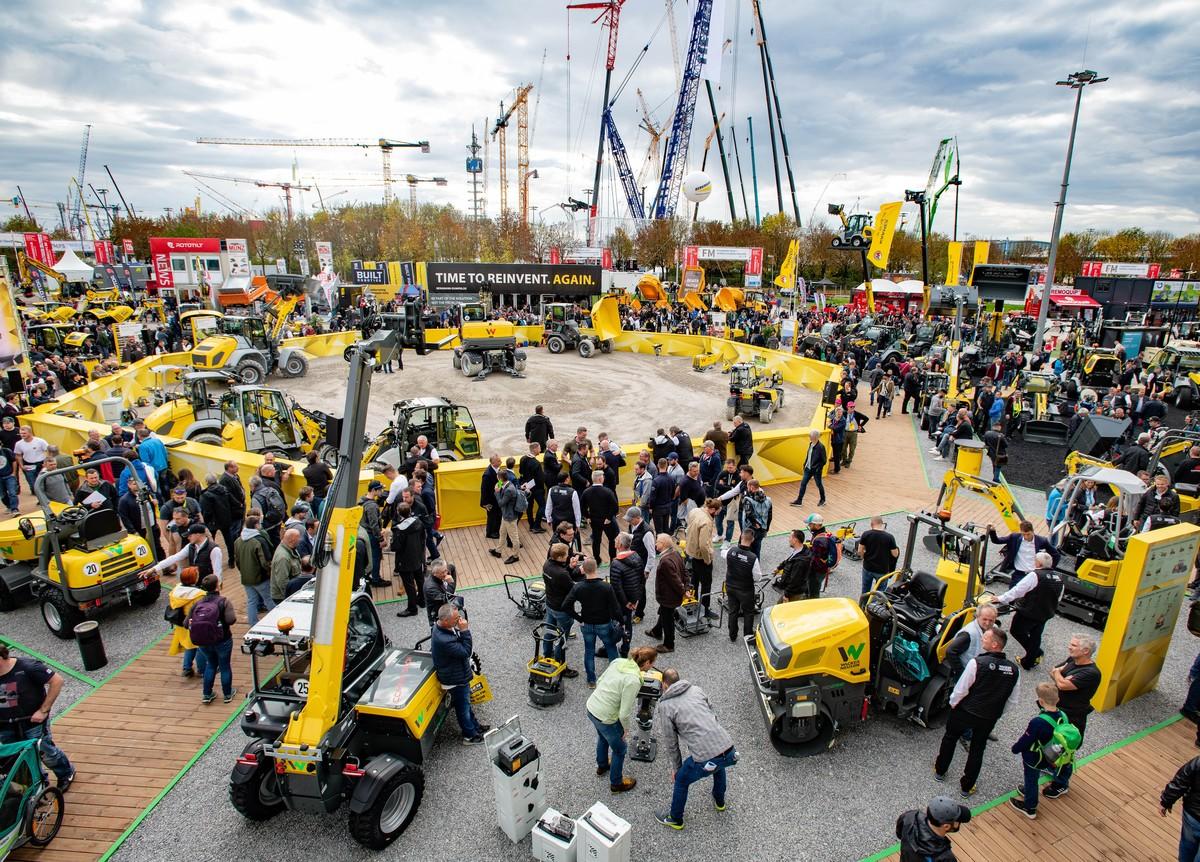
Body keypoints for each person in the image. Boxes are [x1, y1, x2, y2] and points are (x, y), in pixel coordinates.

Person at [934, 627, 1019, 798]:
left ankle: (940, 770)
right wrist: (997, 713)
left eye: (986, 638)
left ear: (995, 644)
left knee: (950, 738)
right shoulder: (1013, 670)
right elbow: (1012, 700)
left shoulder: (977, 663)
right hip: (988, 717)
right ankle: (967, 786)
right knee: (978, 749)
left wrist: (953, 704)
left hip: (965, 711)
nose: (983, 640)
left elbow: (962, 688)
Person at [653, 669, 737, 830]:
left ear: (664, 684)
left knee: (682, 780)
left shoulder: (665, 706)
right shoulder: (697, 690)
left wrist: (676, 769)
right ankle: (719, 801)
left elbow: (671, 743)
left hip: (705, 757)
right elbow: (712, 714)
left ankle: (675, 819)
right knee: (719, 765)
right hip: (727, 746)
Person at [0, 643, 75, 790]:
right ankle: (38, 786)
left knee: (45, 753)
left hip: (32, 722)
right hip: (5, 726)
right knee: (16, 759)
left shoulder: (27, 667)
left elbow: (57, 681)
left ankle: (66, 772)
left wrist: (43, 710)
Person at [586, 645, 657, 794]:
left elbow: (600, 681)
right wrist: (625, 728)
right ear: (647, 663)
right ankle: (616, 783)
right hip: (606, 717)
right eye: (652, 663)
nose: (653, 666)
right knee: (620, 749)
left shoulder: (618, 661)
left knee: (603, 737)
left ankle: (603, 765)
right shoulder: (633, 681)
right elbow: (624, 713)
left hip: (592, 707)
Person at [1008, 682, 1074, 820]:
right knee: (1036, 774)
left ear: (1041, 701)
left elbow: (1026, 740)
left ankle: (1030, 807)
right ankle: (1057, 784)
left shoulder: (1038, 722)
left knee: (1031, 778)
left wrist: (1015, 749)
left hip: (1035, 757)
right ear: (1058, 699)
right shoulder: (1064, 715)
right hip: (1054, 754)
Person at [993, 550, 1064, 670]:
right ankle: (1029, 660)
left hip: (1029, 611)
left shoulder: (1035, 575)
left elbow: (1018, 590)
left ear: (1039, 564)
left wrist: (1000, 598)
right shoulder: (1059, 579)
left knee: (1016, 631)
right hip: (1046, 612)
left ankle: (1035, 653)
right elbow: (1059, 597)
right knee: (1036, 635)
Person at [431, 603, 490, 744]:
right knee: (463, 708)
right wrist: (465, 631)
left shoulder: (442, 627)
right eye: (456, 619)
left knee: (466, 703)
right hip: (454, 679)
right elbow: (466, 652)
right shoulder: (444, 640)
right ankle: (469, 735)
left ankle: (475, 727)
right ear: (445, 621)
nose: (459, 620)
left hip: (456, 673)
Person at [565, 559, 623, 687]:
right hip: (604, 623)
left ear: (583, 570)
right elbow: (615, 607)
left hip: (587, 623)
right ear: (596, 568)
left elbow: (566, 605)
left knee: (589, 650)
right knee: (611, 647)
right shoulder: (606, 586)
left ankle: (591, 680)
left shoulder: (578, 587)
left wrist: (579, 618)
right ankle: (615, 676)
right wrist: (621, 621)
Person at [189, 574, 238, 704]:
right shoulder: (223, 601)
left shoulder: (198, 604)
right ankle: (227, 694)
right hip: (223, 639)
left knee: (210, 664)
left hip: (204, 640)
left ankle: (207, 694)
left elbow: (185, 623)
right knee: (224, 666)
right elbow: (231, 620)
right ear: (217, 586)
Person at [1050, 633, 1102, 743]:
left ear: (1086, 651)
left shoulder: (1091, 673)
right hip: (1056, 709)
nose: (1069, 647)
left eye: (1073, 645)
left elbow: (1062, 685)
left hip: (1071, 716)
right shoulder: (1072, 660)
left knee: (1061, 746)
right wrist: (1059, 675)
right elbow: (1052, 671)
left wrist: (1058, 674)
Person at [542, 543, 581, 679]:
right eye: (566, 554)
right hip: (562, 610)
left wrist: (569, 567)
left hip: (550, 604)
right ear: (560, 557)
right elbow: (574, 589)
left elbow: (561, 576)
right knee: (561, 639)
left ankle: (547, 655)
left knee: (548, 631)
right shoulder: (562, 574)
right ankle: (561, 666)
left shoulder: (547, 564)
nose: (568, 555)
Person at [644, 533, 687, 654]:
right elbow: (685, 572)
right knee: (664, 612)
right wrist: (686, 588)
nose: (655, 543)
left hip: (668, 596)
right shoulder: (676, 554)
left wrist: (684, 591)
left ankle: (669, 644)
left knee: (668, 619)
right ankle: (657, 631)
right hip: (672, 595)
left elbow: (676, 581)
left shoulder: (665, 562)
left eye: (657, 541)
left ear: (662, 545)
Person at [895, 796, 972, 862]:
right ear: (946, 826)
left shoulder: (909, 817)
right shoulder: (945, 857)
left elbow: (899, 834)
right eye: (957, 820)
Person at [721, 528, 763, 643]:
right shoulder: (753, 558)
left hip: (730, 586)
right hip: (746, 590)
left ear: (741, 536)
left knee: (733, 610)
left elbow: (722, 553)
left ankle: (732, 635)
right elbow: (758, 577)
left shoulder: (731, 551)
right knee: (748, 612)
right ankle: (748, 636)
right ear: (752, 539)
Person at [166, 567, 208, 679]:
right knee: (199, 646)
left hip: (180, 623)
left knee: (189, 646)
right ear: (194, 578)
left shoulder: (175, 591)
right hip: (195, 624)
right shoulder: (199, 594)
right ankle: (202, 670)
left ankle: (187, 668)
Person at [940, 603, 999, 680]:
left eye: (991, 620)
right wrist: (961, 673)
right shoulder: (969, 634)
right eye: (984, 619)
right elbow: (950, 651)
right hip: (969, 672)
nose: (987, 623)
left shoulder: (994, 628)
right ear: (977, 617)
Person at [986, 520, 1060, 582]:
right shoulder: (1015, 537)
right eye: (1024, 534)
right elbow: (997, 541)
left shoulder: (1041, 541)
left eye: (1028, 534)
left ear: (1033, 531)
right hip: (1018, 573)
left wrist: (1050, 570)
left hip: (1033, 574)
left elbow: (1056, 555)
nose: (1026, 537)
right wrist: (992, 531)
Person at [234, 512, 275, 622]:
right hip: (260, 577)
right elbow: (265, 562)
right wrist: (269, 573)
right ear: (256, 525)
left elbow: (237, 560)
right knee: (269, 600)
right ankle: (276, 622)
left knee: (252, 601)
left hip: (246, 577)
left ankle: (253, 623)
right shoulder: (258, 540)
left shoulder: (238, 541)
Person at [152, 523, 225, 583]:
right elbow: (175, 557)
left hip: (208, 585)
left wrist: (216, 586)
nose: (188, 538)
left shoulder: (214, 549)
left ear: (198, 535)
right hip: (195, 583)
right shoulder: (190, 546)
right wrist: (154, 568)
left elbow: (217, 571)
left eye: (190, 535)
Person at [609, 533, 643, 656]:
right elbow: (641, 580)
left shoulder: (616, 563)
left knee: (617, 623)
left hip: (620, 602)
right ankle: (625, 648)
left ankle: (610, 646)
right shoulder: (637, 557)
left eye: (616, 540)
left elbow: (616, 587)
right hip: (632, 600)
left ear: (620, 545)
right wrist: (636, 600)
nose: (614, 541)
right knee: (628, 623)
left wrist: (626, 602)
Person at [684, 498, 719, 618]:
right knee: (706, 585)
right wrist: (707, 559)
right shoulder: (706, 522)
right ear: (713, 509)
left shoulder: (695, 511)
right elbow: (704, 545)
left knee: (694, 581)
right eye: (717, 511)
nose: (717, 514)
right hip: (701, 556)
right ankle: (705, 610)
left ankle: (692, 605)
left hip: (691, 553)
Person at [1161, 755, 1200, 861]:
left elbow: (1180, 780)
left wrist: (1166, 801)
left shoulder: (1197, 762)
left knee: (1187, 846)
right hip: (1192, 814)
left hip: (1192, 815)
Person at [391, 503, 426, 616]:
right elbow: (423, 539)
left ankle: (412, 608)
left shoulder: (399, 529)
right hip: (417, 556)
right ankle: (422, 600)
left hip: (405, 560)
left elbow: (395, 547)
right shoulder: (419, 523)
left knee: (409, 585)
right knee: (420, 580)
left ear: (398, 512)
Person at [582, 470, 619, 563]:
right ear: (600, 479)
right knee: (612, 539)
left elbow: (582, 506)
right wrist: (609, 517)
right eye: (602, 477)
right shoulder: (607, 491)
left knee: (596, 539)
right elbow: (614, 506)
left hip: (594, 519)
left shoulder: (586, 492)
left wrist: (588, 517)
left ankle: (597, 558)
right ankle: (612, 558)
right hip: (607, 520)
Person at [858, 515, 899, 596]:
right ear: (882, 523)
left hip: (868, 567)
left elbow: (860, 551)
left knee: (865, 590)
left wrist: (863, 558)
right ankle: (874, 606)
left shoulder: (866, 534)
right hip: (882, 570)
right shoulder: (889, 537)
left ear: (872, 524)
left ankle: (862, 605)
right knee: (879, 593)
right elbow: (895, 554)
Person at [790, 429, 827, 507]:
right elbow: (809, 455)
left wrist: (817, 469)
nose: (809, 437)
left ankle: (823, 500)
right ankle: (799, 501)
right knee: (803, 484)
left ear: (815, 437)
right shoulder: (811, 444)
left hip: (816, 470)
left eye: (811, 436)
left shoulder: (821, 447)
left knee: (819, 484)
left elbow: (824, 460)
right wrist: (805, 464)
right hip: (808, 468)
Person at [270, 527, 303, 603]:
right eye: (298, 537)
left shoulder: (290, 548)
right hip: (283, 597)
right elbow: (282, 582)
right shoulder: (283, 557)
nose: (300, 540)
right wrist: (289, 599)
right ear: (292, 540)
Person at [13, 425, 49, 495]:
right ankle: (38, 496)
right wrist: (21, 466)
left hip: (41, 465)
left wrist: (46, 463)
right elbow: (18, 455)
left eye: (24, 433)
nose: (22, 435)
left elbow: (48, 451)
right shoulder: (18, 444)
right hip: (28, 466)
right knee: (33, 485)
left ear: (30, 433)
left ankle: (44, 499)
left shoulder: (40, 441)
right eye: (21, 433)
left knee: (45, 483)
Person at [423, 559, 458, 624]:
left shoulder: (444, 569)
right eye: (442, 572)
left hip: (447, 607)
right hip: (437, 615)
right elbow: (447, 596)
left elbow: (452, 567)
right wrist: (451, 583)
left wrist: (451, 579)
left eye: (446, 570)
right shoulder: (430, 588)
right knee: (438, 632)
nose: (445, 574)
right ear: (434, 574)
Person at [301, 450, 332, 517]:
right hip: (322, 495)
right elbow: (330, 477)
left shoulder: (305, 471)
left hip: (313, 496)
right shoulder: (322, 466)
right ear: (316, 458)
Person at [480, 454, 502, 540]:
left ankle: (496, 531)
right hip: (490, 500)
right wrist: (485, 503)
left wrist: (499, 487)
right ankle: (490, 533)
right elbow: (484, 490)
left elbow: (499, 481)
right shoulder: (487, 475)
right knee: (492, 516)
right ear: (493, 463)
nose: (501, 462)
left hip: (496, 498)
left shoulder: (498, 470)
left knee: (497, 515)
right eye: (499, 461)